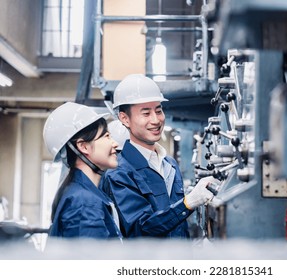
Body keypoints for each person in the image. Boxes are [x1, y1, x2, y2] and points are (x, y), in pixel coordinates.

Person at [102, 74, 219, 238]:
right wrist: (188, 203)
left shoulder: (169, 164)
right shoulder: (119, 173)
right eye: (146, 113)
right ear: (125, 119)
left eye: (158, 110)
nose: (156, 120)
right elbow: (140, 229)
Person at [43, 102, 122, 239]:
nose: (115, 143)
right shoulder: (85, 203)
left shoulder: (83, 195)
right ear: (83, 147)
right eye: (106, 136)